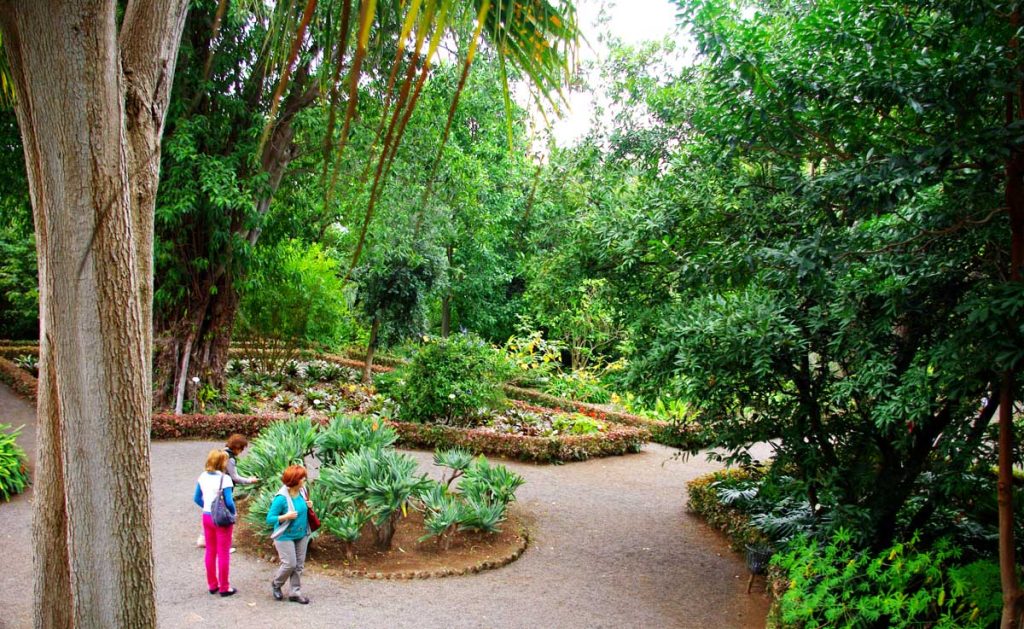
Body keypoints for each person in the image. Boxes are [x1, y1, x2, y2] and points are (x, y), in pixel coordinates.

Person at [197, 434, 258, 548]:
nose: (241, 451)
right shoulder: (230, 458)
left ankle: (204, 537)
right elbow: (234, 477)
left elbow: (196, 497)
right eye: (242, 448)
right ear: (237, 447)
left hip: (211, 484)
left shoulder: (221, 452)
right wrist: (250, 480)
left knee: (211, 510)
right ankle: (224, 542)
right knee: (223, 513)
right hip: (223, 487)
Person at [193, 449, 237, 597]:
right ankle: (225, 587)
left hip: (206, 516)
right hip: (221, 519)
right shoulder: (225, 479)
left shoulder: (202, 476)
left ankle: (212, 584)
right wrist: (232, 513)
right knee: (223, 552)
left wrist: (208, 506)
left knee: (210, 551)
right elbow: (230, 502)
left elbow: (197, 498)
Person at [267, 465, 312, 604]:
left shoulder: (302, 491)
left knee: (299, 565)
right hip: (284, 535)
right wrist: (285, 516)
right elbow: (269, 519)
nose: (304, 480)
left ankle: (295, 592)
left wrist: (308, 505)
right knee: (290, 564)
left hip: (302, 534)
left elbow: (303, 507)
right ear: (295, 480)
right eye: (302, 478)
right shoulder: (281, 498)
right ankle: (276, 583)